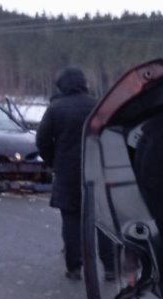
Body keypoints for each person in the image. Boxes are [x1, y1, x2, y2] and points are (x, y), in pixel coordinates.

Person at [35, 67, 115, 281]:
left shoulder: (55, 109)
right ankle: (110, 267)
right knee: (103, 220)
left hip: (67, 173)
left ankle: (74, 267)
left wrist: (55, 162)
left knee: (71, 220)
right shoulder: (98, 105)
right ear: (83, 83)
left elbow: (42, 141)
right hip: (97, 169)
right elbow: (113, 136)